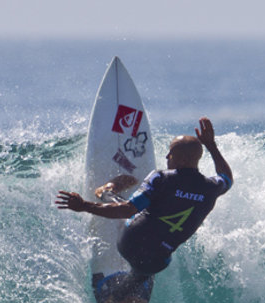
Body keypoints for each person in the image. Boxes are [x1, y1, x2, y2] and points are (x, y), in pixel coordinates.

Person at [56, 117, 233, 285]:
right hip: (157, 261)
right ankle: (124, 290)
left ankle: (106, 191)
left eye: (170, 154)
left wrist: (84, 206)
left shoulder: (161, 178)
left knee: (132, 207)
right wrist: (211, 145)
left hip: (129, 243)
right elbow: (227, 178)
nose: (166, 157)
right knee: (148, 267)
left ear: (182, 159)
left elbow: (127, 210)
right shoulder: (212, 187)